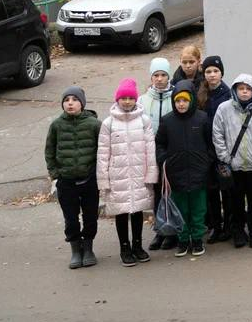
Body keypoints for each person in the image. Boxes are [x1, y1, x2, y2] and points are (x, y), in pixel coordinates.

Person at [97, 78, 157, 267]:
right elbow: (103, 153)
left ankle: (138, 245)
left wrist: (151, 175)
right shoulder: (108, 123)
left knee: (138, 211)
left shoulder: (144, 121)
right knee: (121, 213)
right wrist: (103, 180)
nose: (127, 101)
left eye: (131, 98)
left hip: (139, 174)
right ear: (117, 99)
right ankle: (125, 247)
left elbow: (150, 149)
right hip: (118, 176)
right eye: (123, 98)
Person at [45, 85, 101, 269]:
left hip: (89, 180)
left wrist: (98, 174)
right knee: (70, 218)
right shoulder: (57, 125)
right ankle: (76, 249)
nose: (70, 103)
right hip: (66, 181)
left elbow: (102, 151)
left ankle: (88, 247)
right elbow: (49, 151)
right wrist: (55, 175)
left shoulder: (94, 124)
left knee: (91, 216)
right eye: (67, 100)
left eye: (75, 100)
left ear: (82, 104)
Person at [157, 80, 214, 257]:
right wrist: (164, 160)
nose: (181, 104)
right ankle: (182, 239)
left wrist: (207, 162)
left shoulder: (202, 118)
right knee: (181, 209)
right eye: (178, 101)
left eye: (185, 101)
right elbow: (160, 143)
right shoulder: (167, 121)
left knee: (198, 209)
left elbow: (210, 143)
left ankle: (197, 239)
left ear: (191, 100)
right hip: (176, 173)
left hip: (198, 173)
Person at [212, 73, 252, 248]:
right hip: (234, 165)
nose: (244, 92)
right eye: (241, 89)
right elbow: (217, 133)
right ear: (235, 90)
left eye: (248, 89)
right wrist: (224, 157)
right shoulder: (224, 109)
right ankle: (238, 230)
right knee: (235, 200)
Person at [140, 57, 176, 251]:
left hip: (171, 153)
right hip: (151, 154)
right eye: (156, 75)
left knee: (171, 192)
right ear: (151, 77)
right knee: (156, 193)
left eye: (163, 75)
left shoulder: (175, 97)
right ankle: (160, 229)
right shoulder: (143, 100)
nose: (160, 79)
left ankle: (172, 231)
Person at [197, 55, 233, 244]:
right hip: (206, 151)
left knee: (226, 189)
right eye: (208, 71)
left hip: (223, 150)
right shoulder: (201, 94)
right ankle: (215, 225)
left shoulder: (227, 94)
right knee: (211, 190)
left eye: (215, 71)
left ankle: (229, 225)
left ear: (221, 73)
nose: (212, 75)